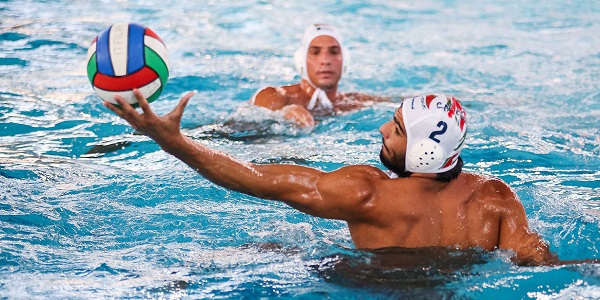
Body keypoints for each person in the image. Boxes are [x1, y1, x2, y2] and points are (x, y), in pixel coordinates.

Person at [105, 90, 567, 266]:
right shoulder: (496, 199)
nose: (382, 130)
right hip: (452, 287)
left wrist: (174, 143)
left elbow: (257, 179)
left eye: (397, 129)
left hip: (368, 285)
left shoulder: (367, 194)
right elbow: (535, 258)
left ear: (426, 150)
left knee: (272, 250)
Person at [250, 24, 389, 127]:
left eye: (334, 52)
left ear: (345, 60)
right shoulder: (273, 97)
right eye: (315, 52)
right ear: (301, 60)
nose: (325, 61)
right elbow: (238, 132)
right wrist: (280, 116)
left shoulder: (355, 103)